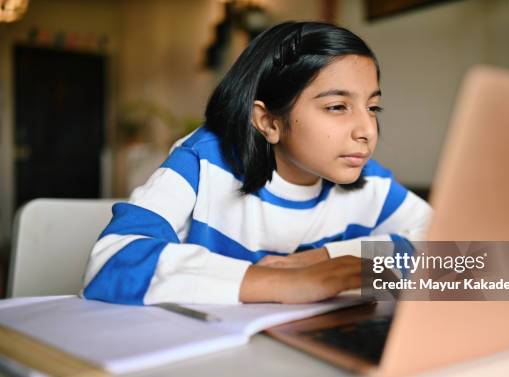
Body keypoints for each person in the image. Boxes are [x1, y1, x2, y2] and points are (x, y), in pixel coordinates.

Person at [81, 21, 432, 305]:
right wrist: (285, 283)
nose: (367, 130)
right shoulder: (204, 162)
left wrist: (329, 258)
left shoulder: (369, 183)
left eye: (372, 107)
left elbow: (474, 263)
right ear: (268, 122)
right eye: (337, 107)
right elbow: (111, 262)